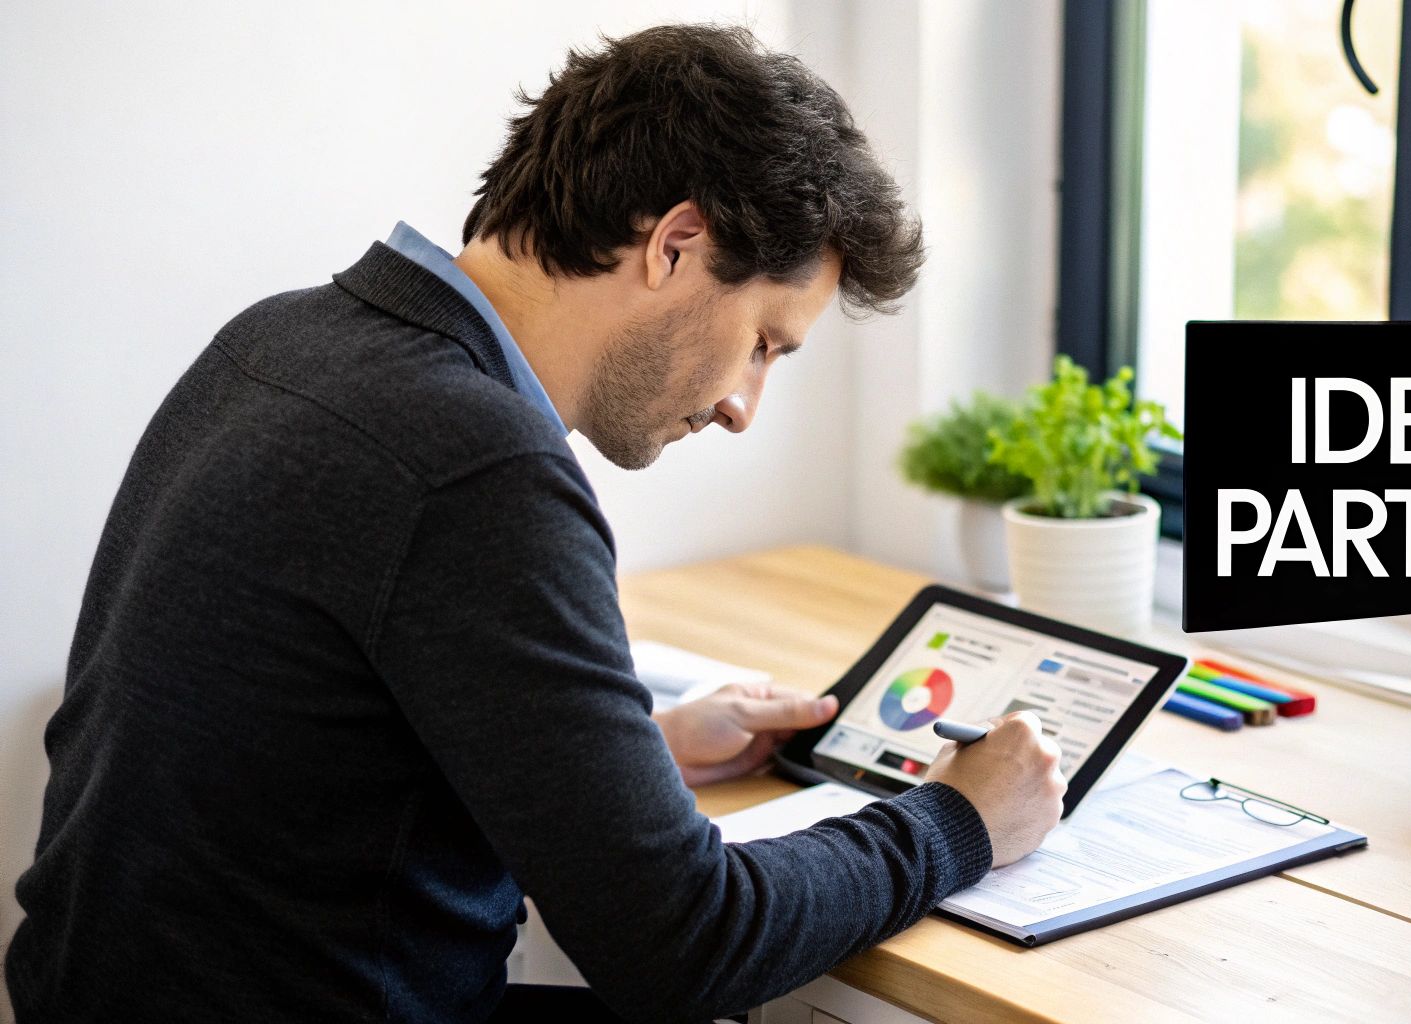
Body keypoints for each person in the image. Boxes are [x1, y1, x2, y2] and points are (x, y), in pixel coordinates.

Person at [5, 23, 1066, 1024]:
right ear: (675, 244)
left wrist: (627, 760)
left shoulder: (281, 340)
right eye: (763, 343)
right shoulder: (478, 465)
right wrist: (958, 820)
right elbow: (683, 944)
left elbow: (314, 753)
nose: (745, 405)